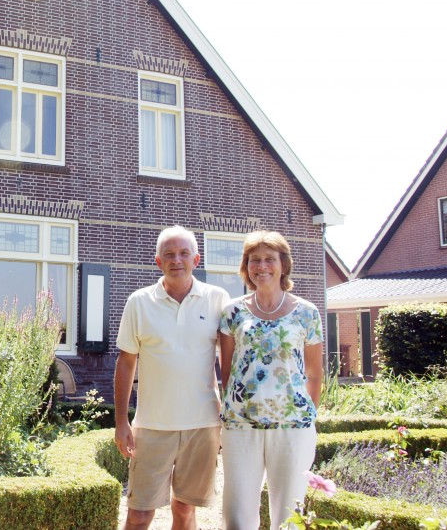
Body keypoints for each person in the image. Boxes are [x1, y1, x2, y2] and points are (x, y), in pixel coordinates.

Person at [114, 225, 231, 530]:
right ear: (158, 261)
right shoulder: (138, 302)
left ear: (196, 259)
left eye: (183, 253)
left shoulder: (218, 300)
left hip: (203, 425)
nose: (176, 260)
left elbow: (229, 362)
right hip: (152, 426)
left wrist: (231, 417)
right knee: (139, 514)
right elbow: (126, 363)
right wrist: (121, 422)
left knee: (184, 511)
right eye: (169, 254)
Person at [218, 231, 324, 530]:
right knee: (237, 514)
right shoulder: (232, 312)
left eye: (269, 259)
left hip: (293, 427)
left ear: (283, 264)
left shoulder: (307, 313)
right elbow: (227, 371)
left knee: (289, 515)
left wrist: (304, 414)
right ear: (246, 266)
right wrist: (235, 408)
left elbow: (315, 374)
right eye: (254, 260)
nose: (261, 266)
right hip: (240, 426)